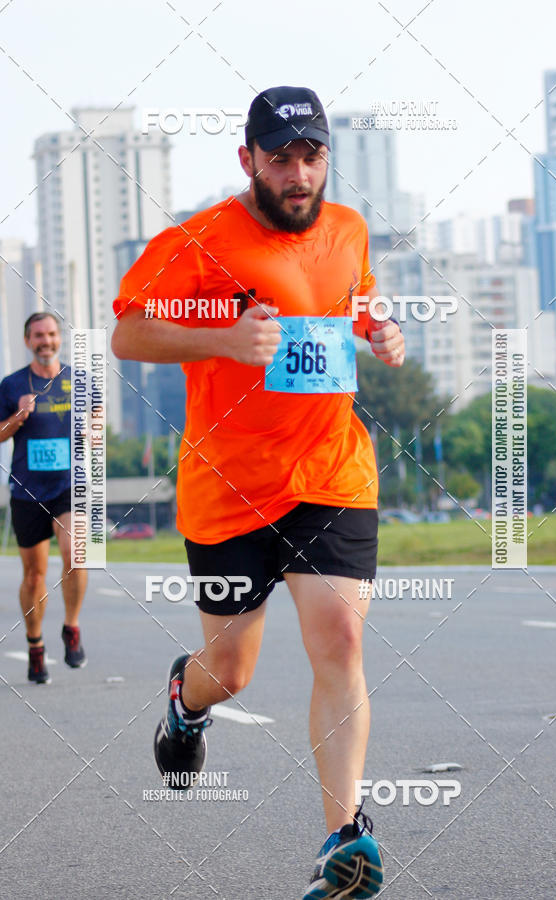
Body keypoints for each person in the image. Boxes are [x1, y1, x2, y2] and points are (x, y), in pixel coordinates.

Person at [112, 85, 405, 899]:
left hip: (330, 472)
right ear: (248, 160)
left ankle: (342, 840)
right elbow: (128, 330)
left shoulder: (348, 229)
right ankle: (186, 698)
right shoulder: (201, 241)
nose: (298, 172)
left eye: (311, 155)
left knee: (340, 644)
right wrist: (222, 339)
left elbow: (351, 305)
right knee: (232, 670)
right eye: (280, 157)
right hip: (228, 490)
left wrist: (379, 329)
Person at [0, 312, 87, 684]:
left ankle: (71, 626)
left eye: (51, 334)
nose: (46, 341)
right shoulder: (11, 384)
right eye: (38, 335)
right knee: (34, 575)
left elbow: (96, 425)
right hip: (28, 490)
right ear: (27, 341)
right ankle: (35, 645)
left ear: (59, 338)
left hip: (71, 487)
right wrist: (18, 417)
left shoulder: (80, 380)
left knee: (76, 553)